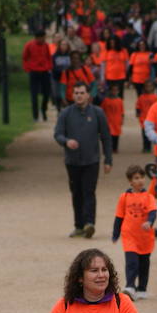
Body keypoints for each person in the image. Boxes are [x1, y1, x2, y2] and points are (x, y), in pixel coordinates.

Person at [54, 82, 113, 238]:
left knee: (89, 191)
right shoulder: (66, 113)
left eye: (82, 92)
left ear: (88, 95)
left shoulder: (97, 113)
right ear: (72, 95)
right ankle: (78, 225)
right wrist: (66, 141)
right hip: (72, 161)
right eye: (76, 93)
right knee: (76, 193)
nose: (79, 95)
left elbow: (106, 137)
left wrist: (108, 160)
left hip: (91, 160)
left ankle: (89, 223)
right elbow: (58, 134)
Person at [112, 165, 157, 300]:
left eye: (142, 177)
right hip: (129, 235)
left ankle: (142, 288)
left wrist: (149, 222)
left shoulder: (148, 196)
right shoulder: (124, 197)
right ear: (130, 181)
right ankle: (130, 286)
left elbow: (153, 212)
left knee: (144, 263)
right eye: (136, 178)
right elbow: (119, 216)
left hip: (145, 237)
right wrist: (116, 233)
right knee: (132, 262)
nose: (140, 181)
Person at [22, 29, 53, 121]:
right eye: (43, 37)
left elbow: (48, 57)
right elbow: (24, 57)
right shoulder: (29, 45)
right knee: (34, 95)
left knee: (46, 93)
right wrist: (27, 68)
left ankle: (43, 110)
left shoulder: (46, 45)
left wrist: (49, 66)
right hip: (34, 72)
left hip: (44, 71)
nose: (44, 39)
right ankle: (35, 115)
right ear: (38, 38)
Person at [135, 80, 157, 153]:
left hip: (152, 119)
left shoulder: (155, 97)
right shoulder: (141, 97)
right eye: (147, 86)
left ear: (153, 88)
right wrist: (138, 112)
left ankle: (150, 147)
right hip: (143, 118)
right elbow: (138, 105)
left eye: (150, 86)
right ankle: (145, 147)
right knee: (144, 134)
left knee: (151, 133)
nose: (148, 88)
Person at [101, 83, 124, 152]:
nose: (114, 92)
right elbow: (102, 110)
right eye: (113, 90)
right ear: (109, 91)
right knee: (108, 135)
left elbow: (122, 111)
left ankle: (115, 148)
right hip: (108, 121)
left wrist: (122, 119)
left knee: (116, 136)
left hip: (116, 121)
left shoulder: (120, 100)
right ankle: (108, 148)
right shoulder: (106, 100)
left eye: (116, 90)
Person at [51, 39, 73, 109]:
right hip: (57, 78)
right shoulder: (55, 56)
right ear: (59, 46)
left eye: (65, 45)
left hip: (67, 79)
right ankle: (58, 109)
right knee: (57, 95)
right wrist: (62, 71)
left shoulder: (70, 56)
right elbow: (53, 67)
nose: (64, 46)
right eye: (62, 44)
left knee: (66, 95)